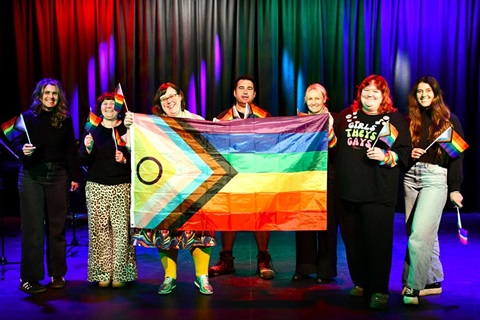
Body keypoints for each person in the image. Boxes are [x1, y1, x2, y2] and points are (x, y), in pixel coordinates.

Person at [126, 82, 215, 295]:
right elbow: (132, 147)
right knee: (164, 232)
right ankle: (169, 276)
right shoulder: (152, 124)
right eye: (164, 99)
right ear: (160, 104)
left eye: (172, 96)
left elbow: (212, 151)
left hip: (194, 188)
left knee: (199, 232)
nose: (169, 101)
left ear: (181, 97)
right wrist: (130, 126)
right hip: (164, 189)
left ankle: (202, 276)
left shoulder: (196, 121)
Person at [333, 75, 411, 309]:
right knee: (353, 242)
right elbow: (334, 145)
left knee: (377, 243)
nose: (370, 95)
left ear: (383, 95)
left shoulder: (393, 119)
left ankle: (379, 289)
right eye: (366, 90)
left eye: (376, 92)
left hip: (378, 192)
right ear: (360, 93)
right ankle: (361, 283)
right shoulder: (347, 115)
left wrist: (386, 157)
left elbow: (405, 152)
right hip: (347, 190)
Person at [10, 78, 82, 294]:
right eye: (47, 93)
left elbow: (70, 149)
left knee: (57, 228)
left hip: (58, 175)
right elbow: (14, 141)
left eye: (55, 94)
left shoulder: (65, 119)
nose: (51, 97)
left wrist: (75, 176)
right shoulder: (27, 118)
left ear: (59, 97)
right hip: (32, 175)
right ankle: (29, 279)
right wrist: (22, 148)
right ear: (39, 95)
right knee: (33, 229)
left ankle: (57, 274)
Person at [402, 76, 466, 305]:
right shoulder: (410, 120)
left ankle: (413, 286)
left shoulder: (448, 120)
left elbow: (456, 157)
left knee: (419, 235)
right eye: (419, 91)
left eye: (428, 91)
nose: (423, 95)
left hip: (435, 178)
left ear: (436, 93)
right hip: (410, 177)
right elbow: (399, 150)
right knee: (421, 233)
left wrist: (455, 188)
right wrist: (409, 154)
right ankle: (432, 281)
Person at [208, 74, 275, 280]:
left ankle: (263, 259)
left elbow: (275, 144)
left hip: (257, 176)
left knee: (260, 216)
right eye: (241, 88)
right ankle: (226, 260)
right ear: (234, 92)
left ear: (254, 94)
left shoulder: (265, 117)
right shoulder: (222, 118)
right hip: (232, 176)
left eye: (249, 88)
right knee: (230, 216)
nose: (245, 91)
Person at [78, 92, 137, 288]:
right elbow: (82, 160)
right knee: (99, 232)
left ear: (118, 108)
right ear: (100, 108)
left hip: (122, 186)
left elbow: (140, 159)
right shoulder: (92, 129)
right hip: (96, 187)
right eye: (105, 104)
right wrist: (86, 148)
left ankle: (120, 273)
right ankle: (102, 272)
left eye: (112, 104)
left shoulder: (126, 128)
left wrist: (125, 159)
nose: (109, 107)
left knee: (121, 232)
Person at [292, 83, 338, 284]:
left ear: (324, 99)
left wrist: (328, 128)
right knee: (304, 223)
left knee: (327, 226)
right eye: (310, 99)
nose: (313, 102)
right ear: (305, 101)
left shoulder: (332, 119)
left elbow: (336, 149)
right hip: (305, 178)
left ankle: (325, 270)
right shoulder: (298, 120)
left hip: (328, 178)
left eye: (317, 98)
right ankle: (304, 267)